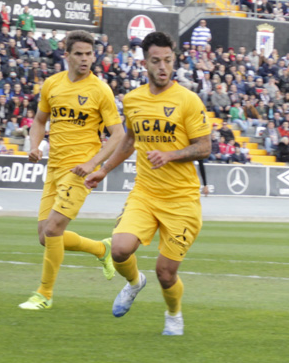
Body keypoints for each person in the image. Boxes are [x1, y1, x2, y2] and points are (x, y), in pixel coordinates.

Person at [83, 32, 211, 336]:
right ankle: (134, 282)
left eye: (168, 60)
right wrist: (104, 169)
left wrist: (171, 155)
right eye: (156, 61)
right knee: (119, 250)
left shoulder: (188, 101)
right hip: (145, 193)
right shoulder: (134, 99)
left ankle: (173, 312)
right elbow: (128, 140)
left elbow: (204, 146)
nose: (163, 66)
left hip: (181, 200)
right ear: (145, 63)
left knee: (166, 274)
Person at [19, 30, 126, 311]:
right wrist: (35, 145)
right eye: (78, 53)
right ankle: (102, 250)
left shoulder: (100, 89)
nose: (85, 59)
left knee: (54, 228)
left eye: (89, 54)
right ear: (66, 55)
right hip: (54, 168)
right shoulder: (52, 85)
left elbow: (117, 134)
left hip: (80, 171)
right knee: (45, 237)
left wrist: (93, 163)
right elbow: (39, 121)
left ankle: (44, 294)